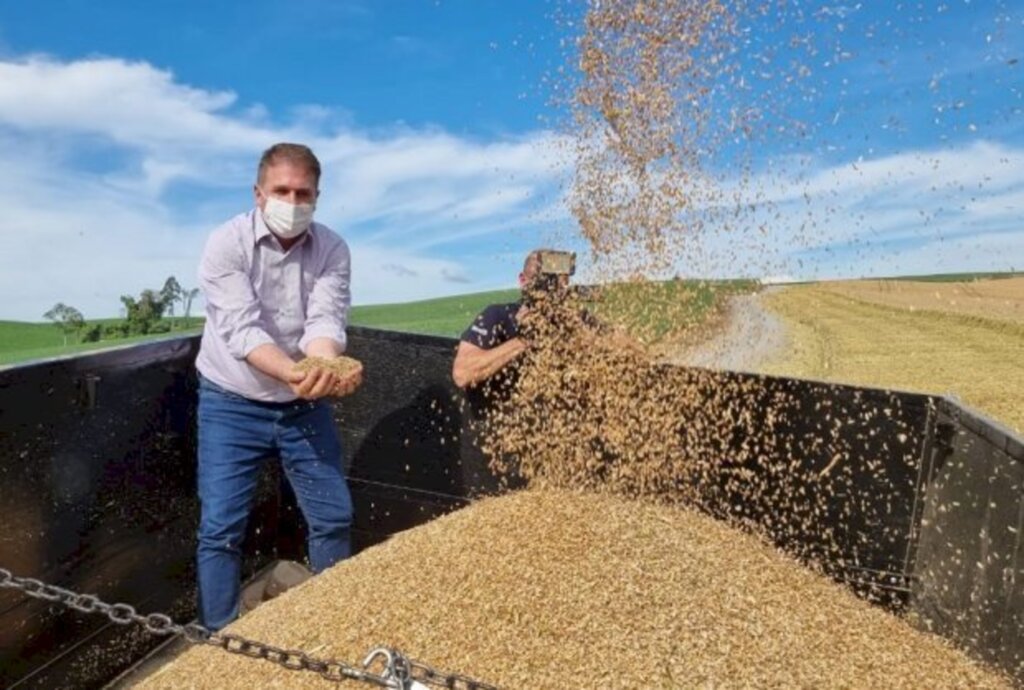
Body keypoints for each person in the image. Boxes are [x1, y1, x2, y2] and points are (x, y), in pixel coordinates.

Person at [194, 142, 363, 630]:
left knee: (333, 517)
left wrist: (327, 366)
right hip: (230, 400)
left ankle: (333, 627)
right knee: (221, 528)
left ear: (317, 197)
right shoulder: (226, 244)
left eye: (302, 192)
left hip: (302, 406)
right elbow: (242, 330)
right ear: (258, 193)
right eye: (281, 190)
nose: (292, 201)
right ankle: (218, 639)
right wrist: (295, 372)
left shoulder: (332, 249)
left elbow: (325, 321)